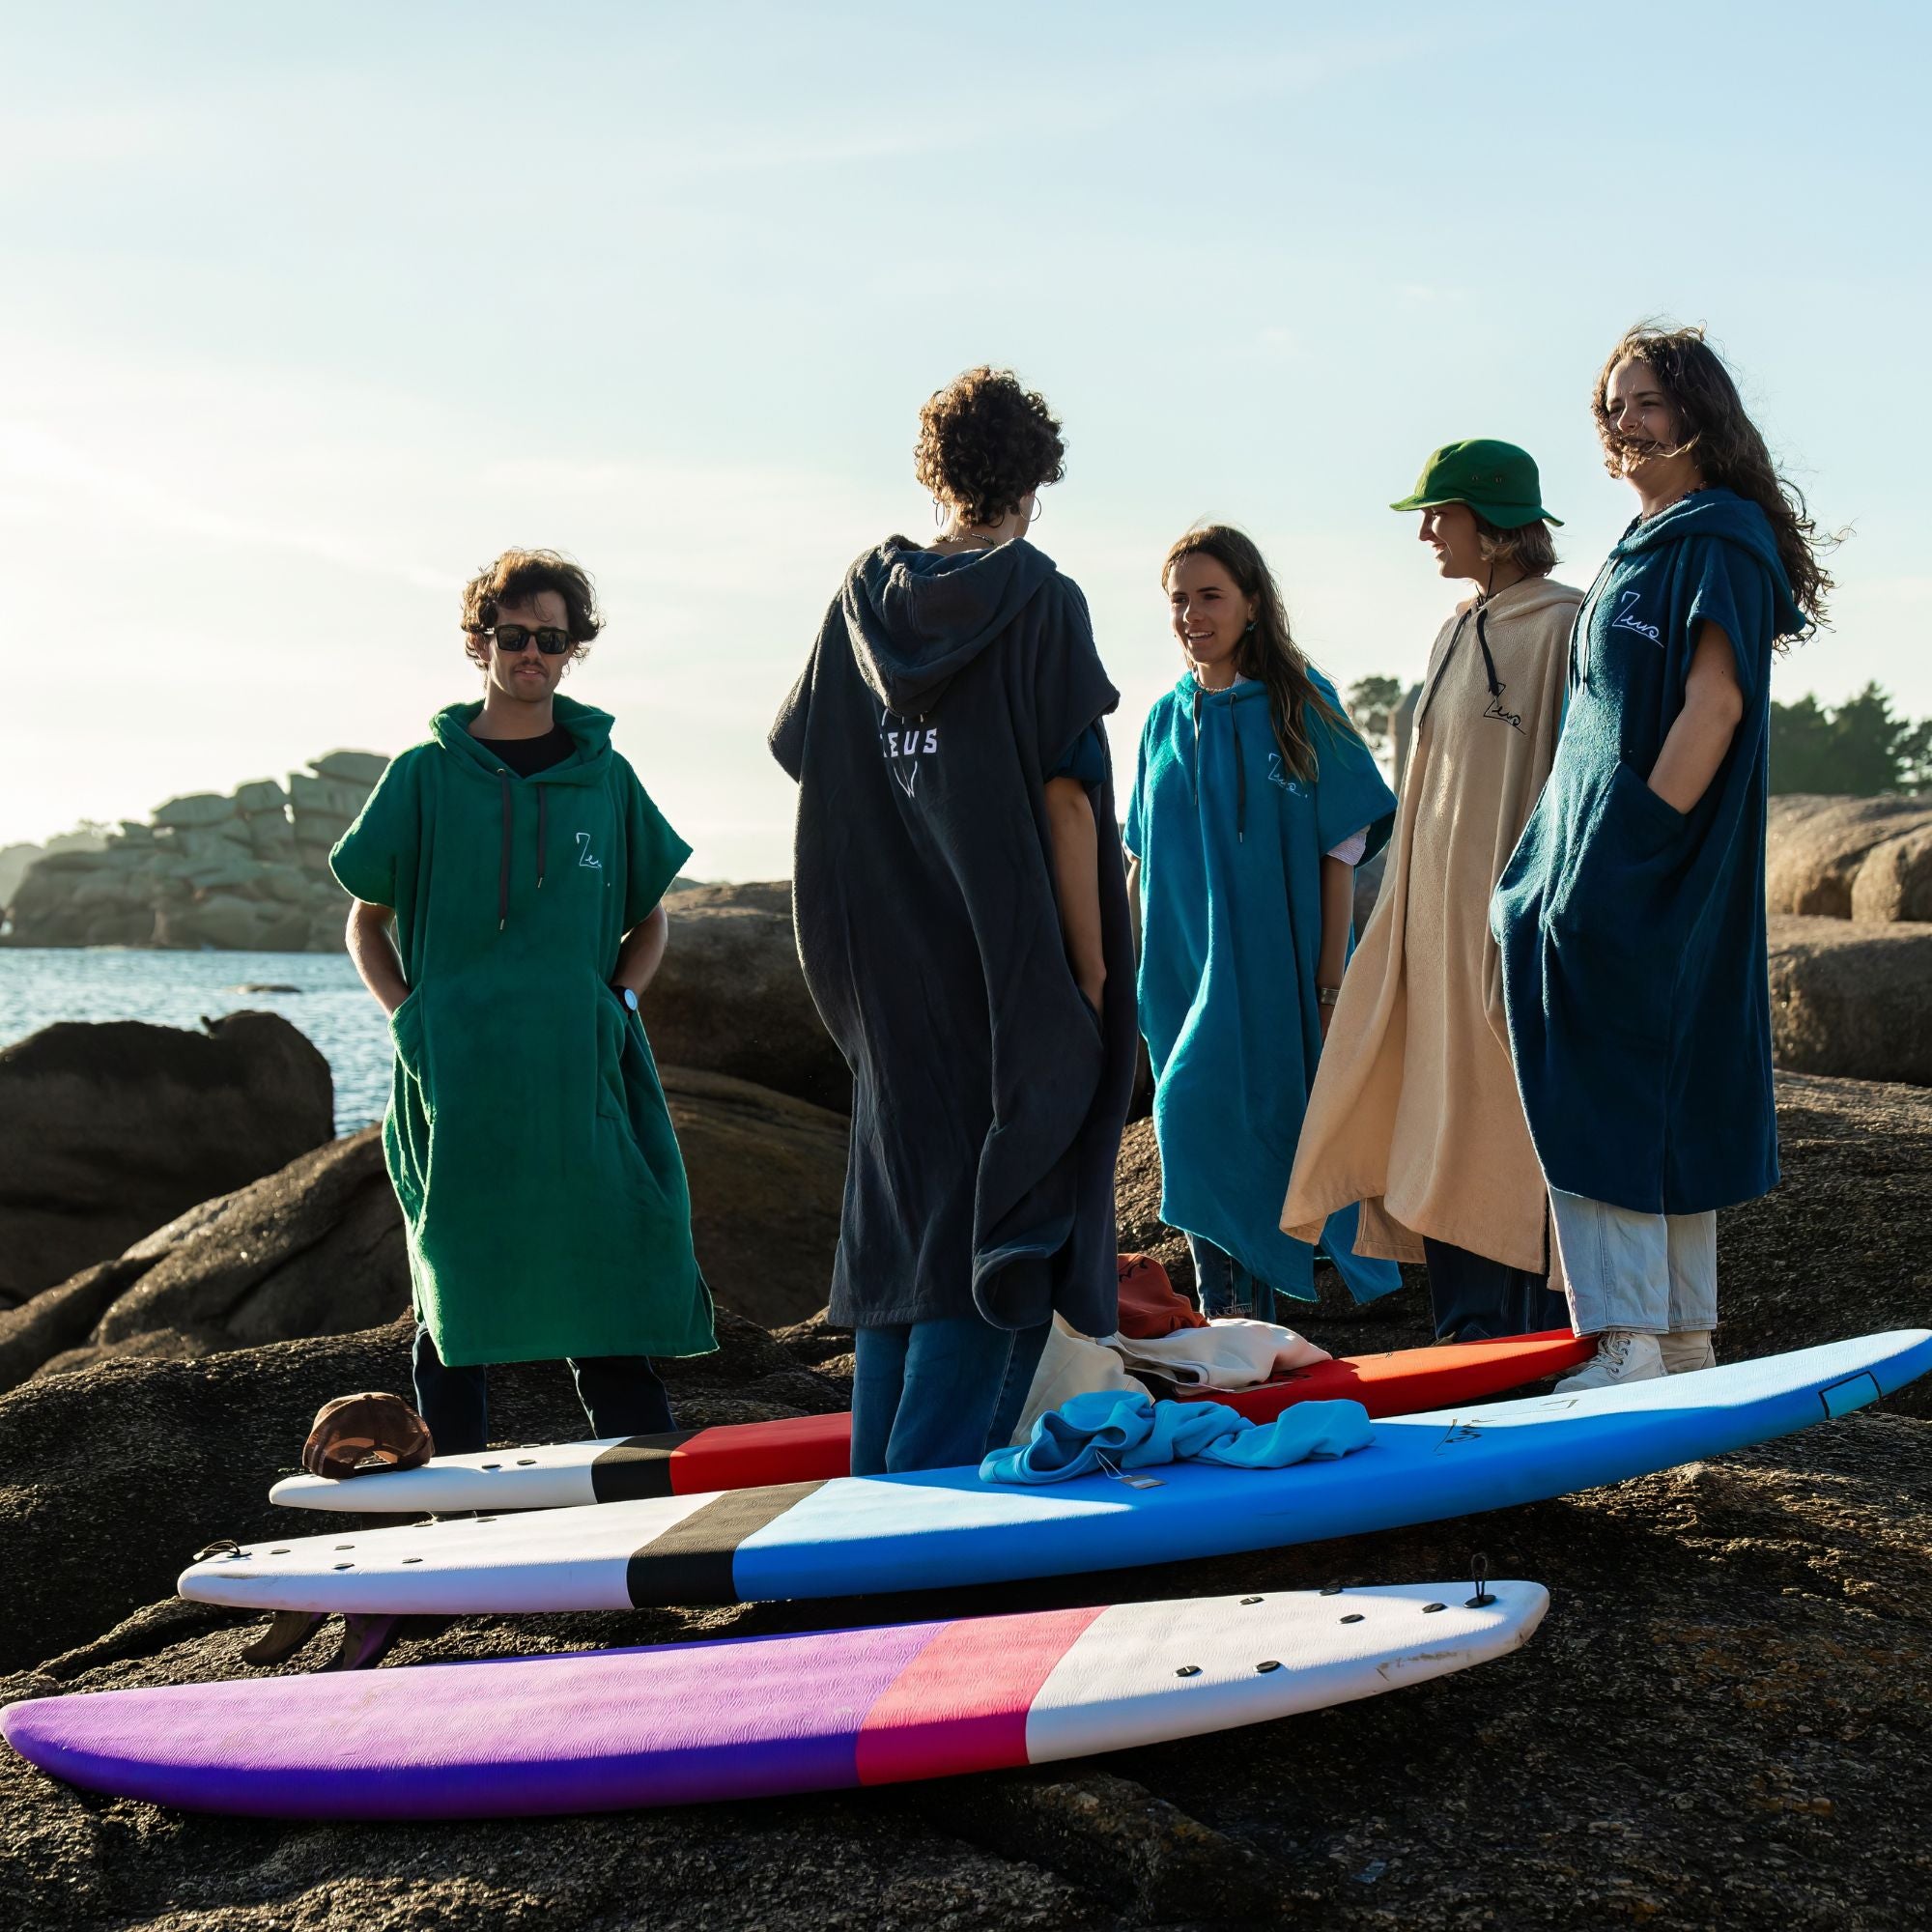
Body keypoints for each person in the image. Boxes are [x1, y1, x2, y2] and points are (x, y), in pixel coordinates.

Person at [770, 367, 1135, 1476]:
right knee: (1009, 1230)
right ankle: (918, 1518)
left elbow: (805, 757)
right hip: (1004, 968)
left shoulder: (857, 601)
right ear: (1036, 476)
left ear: (934, 471)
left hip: (880, 977)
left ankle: (874, 1492)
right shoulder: (1039, 599)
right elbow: (1068, 802)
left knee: (910, 1238)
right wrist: (1087, 974)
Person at [1492, 326, 1828, 1390]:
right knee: (1636, 1083)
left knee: (1618, 1088)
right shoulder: (1642, 543)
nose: (1623, 421)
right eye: (1612, 405)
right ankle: (1679, 1341)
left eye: (1642, 401)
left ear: (1695, 412)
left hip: (1642, 873)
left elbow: (1714, 703)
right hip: (1584, 869)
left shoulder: (1715, 538)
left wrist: (1626, 849)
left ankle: (1626, 1339)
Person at [333, 548, 715, 1453]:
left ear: (572, 648)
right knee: (456, 1290)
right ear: (481, 642)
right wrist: (410, 1019)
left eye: (551, 638)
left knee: (607, 1284)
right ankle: (454, 1518)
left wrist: (615, 1003)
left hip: (578, 1076)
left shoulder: (604, 775)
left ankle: (643, 1501)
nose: (532, 653)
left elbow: (649, 921)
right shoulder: (426, 773)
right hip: (458, 1079)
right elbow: (364, 922)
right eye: (514, 636)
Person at [1282, 441, 1578, 1342]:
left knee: (1506, 1144)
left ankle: (1520, 1353)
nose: (1424, 533)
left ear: (1491, 527)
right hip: (1433, 945)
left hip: (1511, 947)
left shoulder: (1569, 625)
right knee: (1438, 1134)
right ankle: (1467, 1346)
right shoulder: (1454, 628)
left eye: (1438, 514)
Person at [1127, 525, 1400, 1322]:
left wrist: (1329, 978)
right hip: (1183, 978)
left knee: (1267, 1138)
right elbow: (1141, 857)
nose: (1191, 614)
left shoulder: (1302, 701)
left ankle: (1252, 1344)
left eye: (1210, 596)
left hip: (1282, 976)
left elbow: (1341, 849)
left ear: (1252, 602)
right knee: (1193, 1127)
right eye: (1178, 599)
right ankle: (1234, 1338)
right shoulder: (1162, 722)